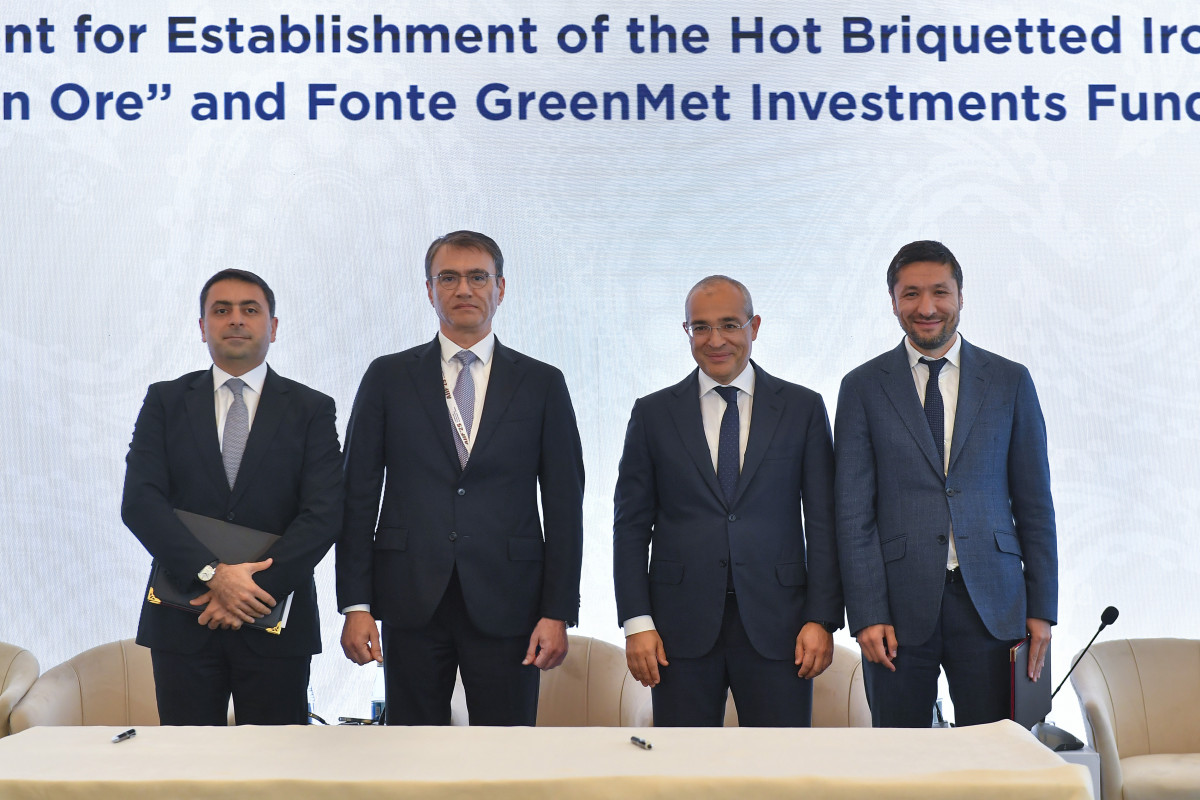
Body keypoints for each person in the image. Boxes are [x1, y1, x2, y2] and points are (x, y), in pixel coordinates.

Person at [337, 230, 584, 726]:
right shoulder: (388, 377)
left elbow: (564, 506)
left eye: (478, 277)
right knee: (413, 749)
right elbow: (357, 496)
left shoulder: (542, 383)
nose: (464, 289)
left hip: (510, 599)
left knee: (506, 750)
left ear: (501, 288)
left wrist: (557, 610)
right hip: (411, 596)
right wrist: (356, 604)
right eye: (448, 278)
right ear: (429, 290)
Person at [835, 240, 1058, 727]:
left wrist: (1042, 608)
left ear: (960, 295)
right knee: (901, 755)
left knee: (996, 753)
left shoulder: (1010, 381)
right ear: (893, 301)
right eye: (911, 294)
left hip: (993, 603)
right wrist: (867, 613)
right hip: (895, 608)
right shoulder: (862, 387)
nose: (927, 307)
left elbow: (1035, 503)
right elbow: (853, 514)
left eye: (940, 292)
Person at [613, 275, 843, 726]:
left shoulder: (803, 408)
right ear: (687, 332)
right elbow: (631, 526)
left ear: (754, 326)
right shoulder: (653, 414)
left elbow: (823, 523)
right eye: (700, 327)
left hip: (782, 627)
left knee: (780, 762)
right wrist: (637, 622)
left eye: (729, 325)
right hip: (677, 630)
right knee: (683, 764)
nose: (715, 340)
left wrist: (821, 618)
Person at [122, 269, 343, 725]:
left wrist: (250, 592)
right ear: (203, 327)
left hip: (276, 620)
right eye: (221, 310)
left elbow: (323, 514)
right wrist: (212, 575)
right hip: (183, 619)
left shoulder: (312, 409)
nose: (236, 319)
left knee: (276, 763)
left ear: (272, 327)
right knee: (187, 762)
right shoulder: (165, 401)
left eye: (250, 309)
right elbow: (141, 503)